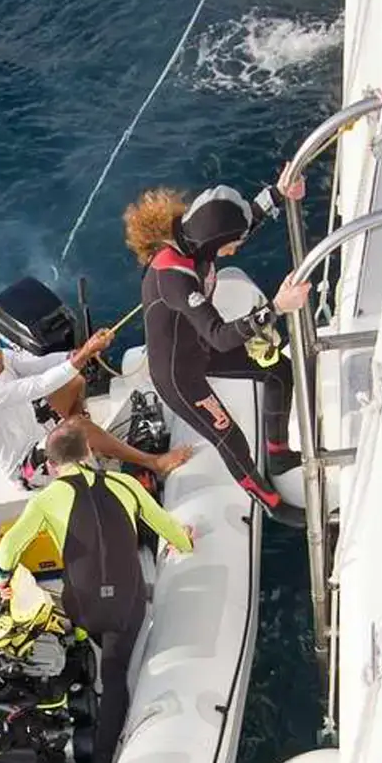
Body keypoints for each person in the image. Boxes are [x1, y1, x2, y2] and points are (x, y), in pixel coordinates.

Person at [0, 421, 194, 763]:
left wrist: (3, 580)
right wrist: (184, 542)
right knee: (115, 675)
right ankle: (102, 761)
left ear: (52, 466)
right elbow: (166, 526)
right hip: (127, 609)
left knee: (88, 622)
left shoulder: (44, 498)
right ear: (89, 452)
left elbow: (9, 547)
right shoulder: (127, 483)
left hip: (82, 609)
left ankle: (86, 659)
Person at [124, 182, 311, 526]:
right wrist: (276, 308)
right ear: (213, 241)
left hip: (201, 348)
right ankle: (270, 502)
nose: (236, 249)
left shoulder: (197, 241)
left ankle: (279, 454)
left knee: (278, 371)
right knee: (229, 435)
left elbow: (245, 221)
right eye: (232, 244)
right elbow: (221, 336)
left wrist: (278, 192)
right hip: (180, 374)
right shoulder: (173, 276)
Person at [0, 321, 191, 486]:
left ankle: (88, 446)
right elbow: (40, 385)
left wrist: (77, 353)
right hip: (26, 470)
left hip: (38, 433)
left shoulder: (3, 358)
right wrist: (86, 352)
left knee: (75, 382)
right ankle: (154, 462)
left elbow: (40, 364)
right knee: (78, 425)